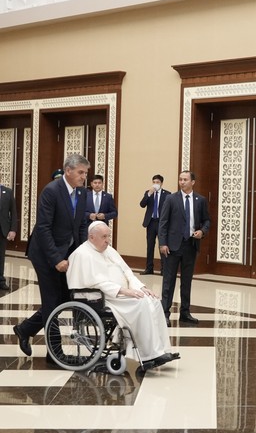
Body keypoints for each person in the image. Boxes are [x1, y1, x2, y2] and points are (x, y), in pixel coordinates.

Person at [67, 222, 179, 370]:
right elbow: (94, 283)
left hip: (121, 294)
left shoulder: (109, 250)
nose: (107, 240)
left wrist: (142, 288)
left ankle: (163, 350)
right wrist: (123, 291)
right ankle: (148, 355)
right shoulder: (82, 254)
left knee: (154, 300)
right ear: (92, 237)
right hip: (104, 298)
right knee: (141, 304)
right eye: (104, 237)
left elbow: (127, 272)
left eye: (108, 236)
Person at [13, 154, 90, 359]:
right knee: (51, 301)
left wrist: (82, 253)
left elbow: (81, 226)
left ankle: (26, 329)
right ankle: (54, 354)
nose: (84, 177)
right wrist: (56, 259)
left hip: (67, 252)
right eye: (81, 172)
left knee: (65, 297)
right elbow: (44, 229)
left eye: (85, 173)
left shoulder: (82, 193)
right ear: (68, 171)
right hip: (45, 253)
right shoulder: (51, 191)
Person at [158, 170, 211, 326]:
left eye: (185, 180)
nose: (182, 182)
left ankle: (185, 312)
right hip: (172, 246)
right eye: (180, 179)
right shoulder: (171, 199)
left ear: (192, 182)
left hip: (191, 245)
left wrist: (202, 232)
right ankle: (165, 313)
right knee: (169, 281)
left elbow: (207, 220)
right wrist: (162, 243)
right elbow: (163, 222)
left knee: (186, 281)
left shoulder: (200, 200)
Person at [140, 174, 170, 275]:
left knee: (162, 245)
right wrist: (149, 193)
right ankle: (149, 268)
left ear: (161, 183)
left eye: (157, 182)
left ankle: (164, 269)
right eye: (154, 182)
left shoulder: (167, 194)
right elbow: (142, 204)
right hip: (151, 222)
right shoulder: (148, 193)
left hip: (162, 223)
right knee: (150, 246)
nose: (155, 184)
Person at [0, 182, 18, 290]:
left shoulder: (8, 192)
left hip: (2, 230)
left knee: (1, 256)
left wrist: (13, 230)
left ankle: (1, 280)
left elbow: (14, 212)